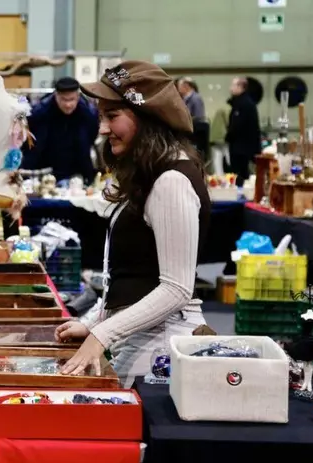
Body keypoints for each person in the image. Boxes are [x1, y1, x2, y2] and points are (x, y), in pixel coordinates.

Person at [53, 61, 211, 388]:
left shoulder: (171, 180)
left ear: (148, 117)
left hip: (162, 348)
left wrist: (102, 334)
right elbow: (134, 275)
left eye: (112, 117)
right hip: (142, 338)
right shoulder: (150, 173)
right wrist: (96, 322)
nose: (103, 129)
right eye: (102, 117)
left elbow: (176, 289)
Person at [22, 76, 99, 181]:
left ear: (78, 97)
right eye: (64, 99)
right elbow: (31, 146)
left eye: (71, 99)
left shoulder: (88, 114)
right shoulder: (40, 113)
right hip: (45, 170)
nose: (68, 104)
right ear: (56, 96)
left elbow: (91, 137)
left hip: (76, 171)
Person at [225, 76, 262, 187]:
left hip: (242, 149)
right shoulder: (241, 103)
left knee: (241, 175)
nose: (230, 88)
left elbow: (238, 125)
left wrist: (228, 136)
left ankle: (240, 193)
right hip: (241, 147)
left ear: (241, 87)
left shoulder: (244, 104)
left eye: (233, 85)